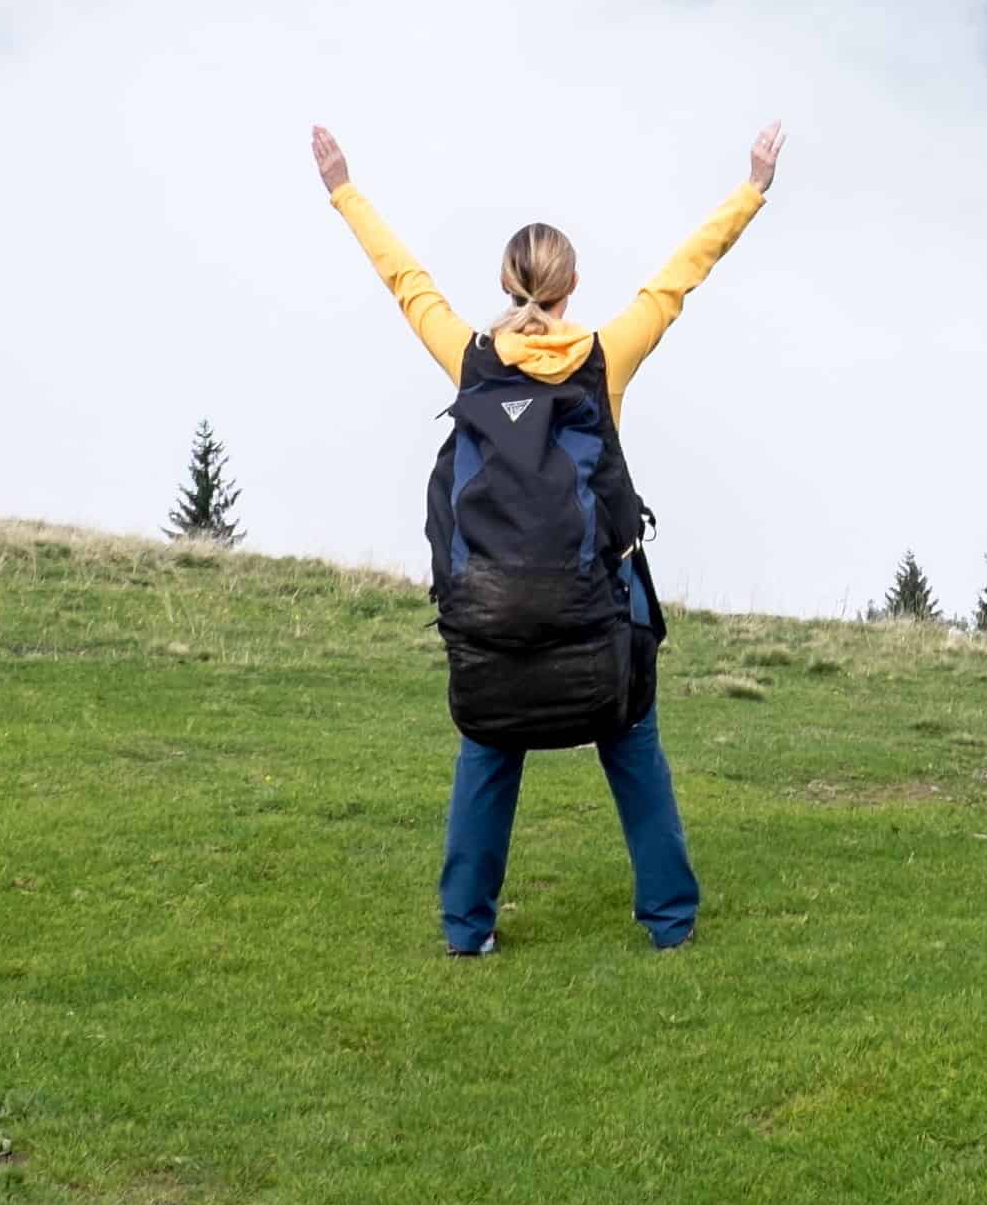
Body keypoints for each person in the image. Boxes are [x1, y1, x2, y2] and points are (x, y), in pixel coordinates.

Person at [309, 116, 781, 955]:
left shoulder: (470, 357)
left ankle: (466, 929)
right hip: (598, 608)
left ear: (507, 280)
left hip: (490, 613)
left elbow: (405, 281)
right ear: (570, 287)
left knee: (488, 755)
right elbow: (679, 279)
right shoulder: (605, 355)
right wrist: (751, 188)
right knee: (634, 746)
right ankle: (670, 923)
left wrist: (344, 188)